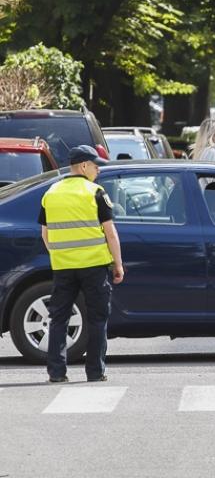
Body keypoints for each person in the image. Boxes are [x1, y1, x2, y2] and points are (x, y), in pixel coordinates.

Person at [39, 145, 124, 383]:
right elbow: (111, 233)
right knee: (97, 318)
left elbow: (45, 234)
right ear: (84, 166)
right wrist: (118, 264)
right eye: (96, 166)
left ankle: (57, 373)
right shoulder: (95, 192)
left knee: (59, 319)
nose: (98, 170)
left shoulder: (51, 193)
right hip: (94, 266)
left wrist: (60, 254)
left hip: (63, 268)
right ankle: (95, 372)